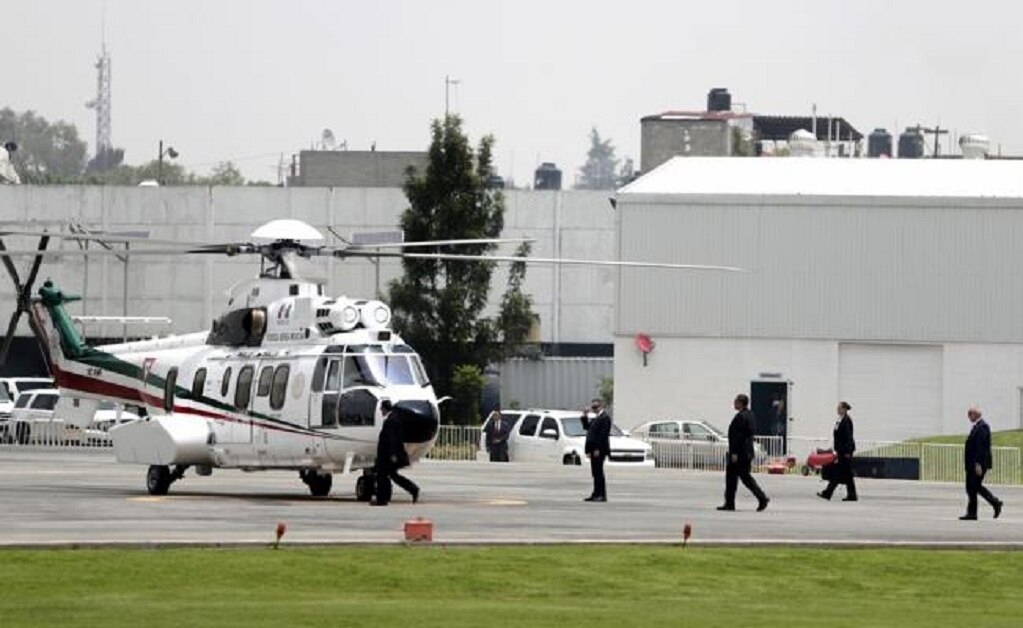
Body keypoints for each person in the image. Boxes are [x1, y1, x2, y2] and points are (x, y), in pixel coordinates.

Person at [718, 393, 769, 512]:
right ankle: (730, 503)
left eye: (736, 401)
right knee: (735, 477)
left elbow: (737, 437)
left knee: (740, 477)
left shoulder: (741, 417)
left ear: (741, 403)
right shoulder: (750, 415)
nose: (734, 403)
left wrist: (734, 453)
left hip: (739, 453)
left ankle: (761, 498)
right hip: (746, 452)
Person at [371, 400, 420, 506]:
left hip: (387, 455)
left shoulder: (391, 421)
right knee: (392, 475)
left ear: (385, 408)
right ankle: (413, 489)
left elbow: (392, 439)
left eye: (381, 408)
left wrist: (392, 454)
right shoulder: (395, 418)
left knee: (382, 476)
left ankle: (382, 500)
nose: (380, 410)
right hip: (390, 454)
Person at [961, 407, 1003, 520]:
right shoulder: (977, 427)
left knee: (974, 486)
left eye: (970, 414)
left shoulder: (983, 427)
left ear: (975, 414)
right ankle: (974, 512)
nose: (968, 417)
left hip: (977, 464)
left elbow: (981, 448)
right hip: (972, 464)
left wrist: (978, 464)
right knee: (971, 487)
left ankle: (994, 503)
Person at [818, 401, 858, 502]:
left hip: (845, 451)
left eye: (839, 408)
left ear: (844, 409)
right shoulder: (840, 420)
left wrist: (848, 452)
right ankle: (852, 495)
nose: (838, 409)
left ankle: (828, 493)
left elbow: (849, 437)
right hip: (841, 450)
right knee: (847, 475)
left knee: (837, 473)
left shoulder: (846, 420)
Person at [582, 398, 611, 502]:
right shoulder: (596, 418)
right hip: (593, 449)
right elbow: (587, 427)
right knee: (595, 473)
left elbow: (602, 435)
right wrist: (585, 416)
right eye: (593, 407)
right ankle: (595, 493)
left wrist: (597, 448)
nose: (594, 409)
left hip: (599, 449)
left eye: (596, 407)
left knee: (599, 472)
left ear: (601, 406)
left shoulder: (605, 418)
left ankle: (602, 495)